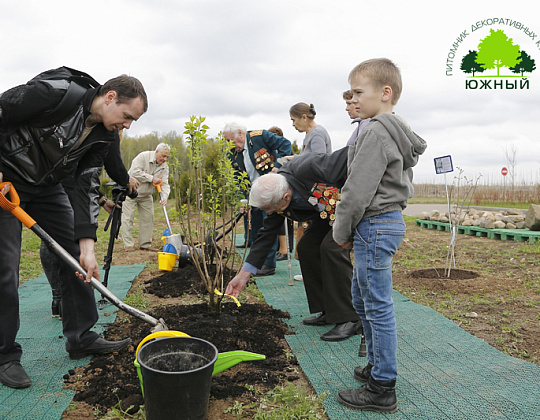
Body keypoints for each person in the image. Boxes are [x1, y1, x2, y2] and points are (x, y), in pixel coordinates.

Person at [0, 67, 147, 389]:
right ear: (110, 97)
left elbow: (84, 186)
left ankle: (81, 337)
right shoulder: (56, 93)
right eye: (127, 116)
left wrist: (87, 247)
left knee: (76, 258)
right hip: (6, 177)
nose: (127, 125)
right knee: (5, 268)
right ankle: (5, 355)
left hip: (49, 187)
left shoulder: (104, 136)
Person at [332, 58, 427, 413]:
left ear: (385, 93)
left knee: (377, 306)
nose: (353, 99)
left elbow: (357, 190)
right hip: (385, 223)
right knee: (363, 299)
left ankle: (382, 385)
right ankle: (375, 364)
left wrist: (341, 231)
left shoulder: (374, 131)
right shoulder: (393, 129)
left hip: (373, 223)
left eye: (358, 92)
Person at [225, 148, 361, 342]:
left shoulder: (309, 167)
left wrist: (358, 193)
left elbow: (351, 154)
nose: (268, 213)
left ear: (285, 198)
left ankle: (350, 318)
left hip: (348, 206)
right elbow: (266, 236)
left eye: (269, 209)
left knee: (332, 248)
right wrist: (243, 274)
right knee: (306, 247)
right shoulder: (275, 194)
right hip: (324, 214)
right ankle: (330, 310)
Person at [41, 135, 139, 318]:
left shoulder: (79, 122)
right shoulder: (107, 127)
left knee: (48, 239)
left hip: (52, 182)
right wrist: (126, 179)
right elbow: (112, 166)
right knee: (65, 240)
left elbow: (82, 172)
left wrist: (102, 200)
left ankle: (58, 300)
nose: (126, 126)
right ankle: (67, 303)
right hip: (62, 188)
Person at [225, 122, 291, 276]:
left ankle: (268, 265)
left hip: (269, 190)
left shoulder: (259, 136)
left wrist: (277, 166)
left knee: (266, 226)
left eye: (232, 141)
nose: (231, 145)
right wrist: (242, 200)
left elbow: (285, 144)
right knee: (255, 228)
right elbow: (237, 178)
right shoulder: (232, 152)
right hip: (252, 193)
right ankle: (257, 262)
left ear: (241, 134)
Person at [288, 102, 333, 280]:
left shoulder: (317, 134)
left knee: (319, 235)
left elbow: (319, 160)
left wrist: (296, 162)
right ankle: (315, 272)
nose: (293, 124)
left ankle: (322, 273)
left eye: (294, 120)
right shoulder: (310, 135)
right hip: (315, 191)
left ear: (304, 117)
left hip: (322, 192)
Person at [121, 143, 170, 251]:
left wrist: (164, 197)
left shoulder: (164, 167)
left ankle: (145, 244)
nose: (165, 159)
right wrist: (151, 178)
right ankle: (128, 245)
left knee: (148, 218)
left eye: (167, 157)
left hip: (146, 195)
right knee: (128, 218)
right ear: (156, 152)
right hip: (131, 191)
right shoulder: (143, 157)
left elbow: (165, 183)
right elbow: (134, 172)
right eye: (163, 156)